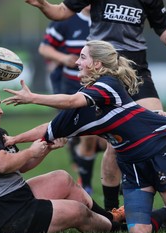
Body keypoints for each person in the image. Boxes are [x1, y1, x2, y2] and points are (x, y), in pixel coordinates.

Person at [2, 40, 166, 233]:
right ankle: (163, 214)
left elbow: (71, 101)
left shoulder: (108, 86)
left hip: (159, 155)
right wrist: (14, 139)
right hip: (131, 166)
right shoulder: (82, 104)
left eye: (82, 57)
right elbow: (48, 128)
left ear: (97, 64)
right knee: (139, 232)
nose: (77, 62)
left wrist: (33, 98)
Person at [25, 0, 166, 211]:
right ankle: (112, 210)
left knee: (158, 133)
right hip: (104, 69)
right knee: (115, 145)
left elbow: (162, 27)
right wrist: (42, 4)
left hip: (136, 70)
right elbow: (61, 12)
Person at [0, 84, 125, 233]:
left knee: (62, 179)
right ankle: (118, 230)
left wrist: (46, 147)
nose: (1, 111)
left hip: (13, 199)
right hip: (2, 213)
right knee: (78, 211)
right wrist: (30, 151)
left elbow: (22, 166)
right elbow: (1, 165)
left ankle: (111, 218)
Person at [39, 5, 105, 195]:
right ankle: (85, 182)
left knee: (102, 138)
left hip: (101, 88)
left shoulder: (107, 18)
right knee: (86, 136)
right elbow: (44, 48)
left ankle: (95, 179)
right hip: (71, 87)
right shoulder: (65, 20)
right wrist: (63, 57)